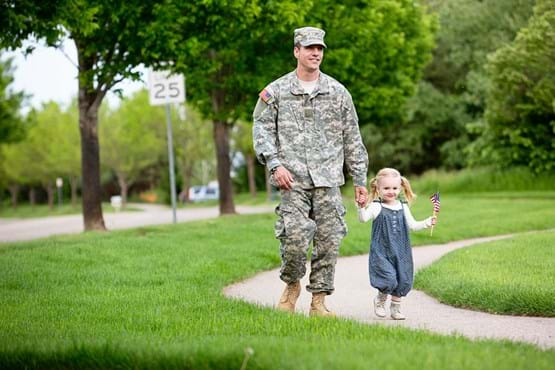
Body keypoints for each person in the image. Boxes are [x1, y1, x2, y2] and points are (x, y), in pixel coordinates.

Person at [252, 26, 369, 316]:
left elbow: (352, 137)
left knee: (329, 242)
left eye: (320, 49)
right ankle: (292, 285)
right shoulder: (276, 91)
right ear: (296, 51)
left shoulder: (338, 92)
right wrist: (275, 164)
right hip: (292, 181)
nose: (316, 53)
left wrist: (360, 180)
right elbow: (262, 130)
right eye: (309, 48)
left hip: (329, 180)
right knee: (294, 239)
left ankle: (318, 301)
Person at [358, 168, 436, 320]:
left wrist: (427, 222)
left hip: (401, 250)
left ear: (400, 188)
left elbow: (413, 225)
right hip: (382, 251)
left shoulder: (403, 206)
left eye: (394, 188)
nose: (391, 191)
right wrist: (360, 207)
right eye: (386, 188)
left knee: (402, 278)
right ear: (378, 188)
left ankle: (396, 309)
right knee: (388, 278)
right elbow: (363, 219)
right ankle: (380, 300)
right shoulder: (376, 206)